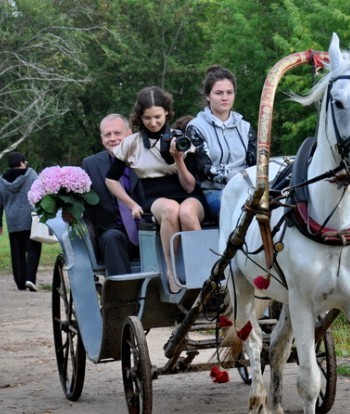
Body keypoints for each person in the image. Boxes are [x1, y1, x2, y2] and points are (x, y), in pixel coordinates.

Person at [105, 86, 200, 293]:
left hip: (187, 193)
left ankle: (203, 270)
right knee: (171, 209)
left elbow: (190, 186)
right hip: (155, 195)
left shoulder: (182, 139)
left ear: (166, 111)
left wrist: (178, 159)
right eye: (147, 118)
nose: (153, 123)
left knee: (186, 211)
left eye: (158, 116)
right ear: (140, 116)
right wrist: (131, 204)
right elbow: (110, 179)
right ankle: (171, 271)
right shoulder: (131, 144)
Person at [182, 65, 256, 230]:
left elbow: (254, 164)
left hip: (248, 190)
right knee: (243, 210)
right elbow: (204, 169)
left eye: (229, 92)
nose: (225, 98)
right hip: (215, 193)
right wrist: (239, 180)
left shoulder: (245, 127)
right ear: (208, 96)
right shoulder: (196, 127)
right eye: (219, 93)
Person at [82, 113, 145, 276]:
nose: (112, 138)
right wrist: (69, 210)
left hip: (148, 228)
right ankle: (123, 295)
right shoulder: (91, 164)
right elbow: (82, 199)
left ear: (129, 134)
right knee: (112, 237)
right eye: (107, 134)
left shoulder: (146, 157)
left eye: (117, 133)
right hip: (113, 234)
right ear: (101, 138)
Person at [0, 152, 42, 291]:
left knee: (17, 253)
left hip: (13, 221)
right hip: (30, 218)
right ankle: (30, 279)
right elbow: (40, 192)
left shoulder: (3, 179)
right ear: (22, 163)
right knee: (33, 248)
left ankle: (20, 283)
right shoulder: (31, 174)